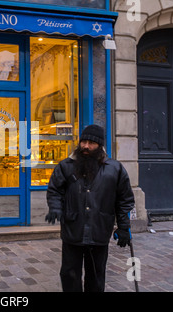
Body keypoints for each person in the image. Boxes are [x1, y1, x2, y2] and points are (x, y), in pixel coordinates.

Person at [45, 124, 134, 292]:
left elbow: (125, 200)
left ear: (100, 145)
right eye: (83, 142)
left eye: (91, 142)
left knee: (96, 276)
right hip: (73, 230)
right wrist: (55, 207)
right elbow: (55, 190)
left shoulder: (115, 169)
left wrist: (124, 226)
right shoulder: (66, 166)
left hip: (99, 230)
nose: (85, 146)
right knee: (69, 274)